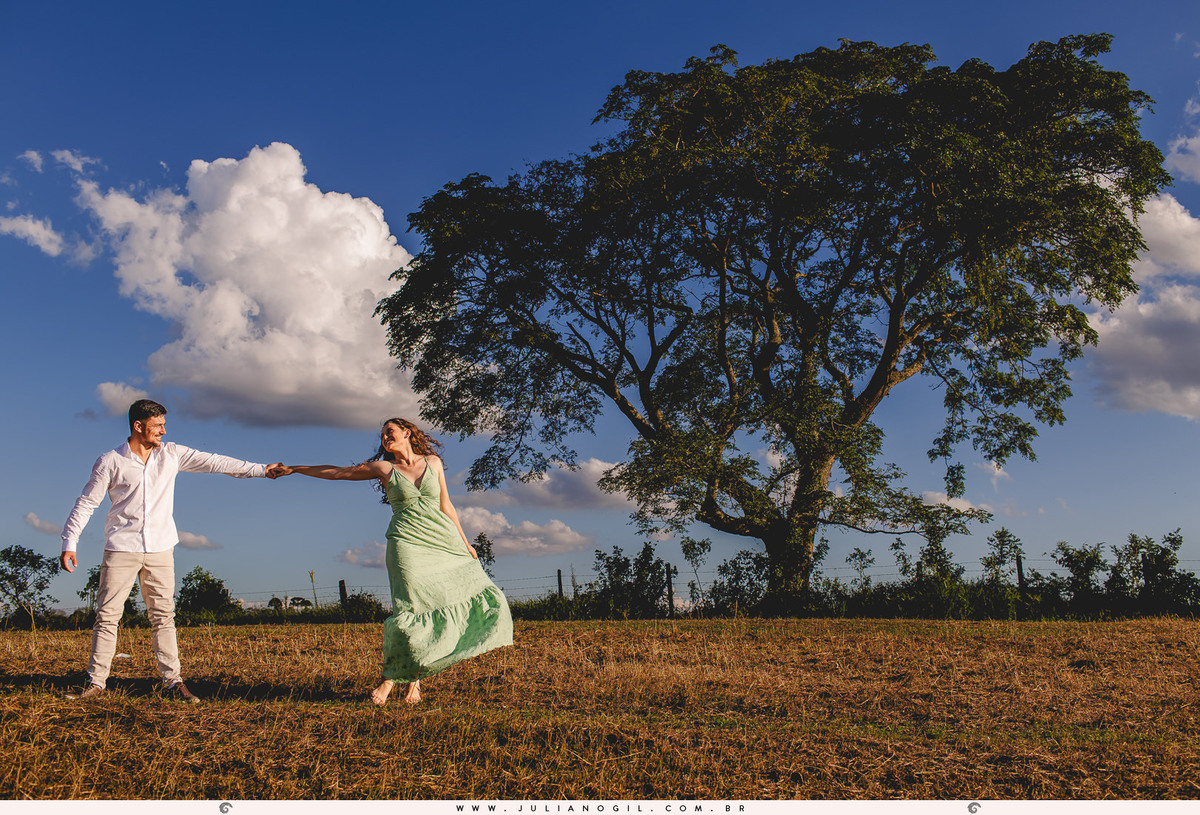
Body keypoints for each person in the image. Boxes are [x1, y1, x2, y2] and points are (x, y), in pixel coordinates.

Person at [270, 418, 512, 705]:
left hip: (442, 541)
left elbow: (446, 505)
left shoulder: (433, 463)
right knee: (410, 608)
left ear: (407, 433)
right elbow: (338, 473)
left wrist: (465, 541)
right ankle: (390, 678)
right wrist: (295, 469)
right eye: (383, 434)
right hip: (406, 543)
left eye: (390, 432)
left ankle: (413, 683)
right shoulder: (384, 468)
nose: (385, 438)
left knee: (434, 605)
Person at [61, 399, 283, 703]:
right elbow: (87, 502)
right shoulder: (110, 461)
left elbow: (215, 462)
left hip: (161, 549)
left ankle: (173, 682)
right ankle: (96, 683)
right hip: (121, 548)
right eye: (158, 426)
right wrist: (69, 542)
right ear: (138, 426)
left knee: (163, 616)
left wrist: (261, 469)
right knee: (107, 616)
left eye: (164, 425)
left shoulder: (172, 454)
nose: (164, 431)